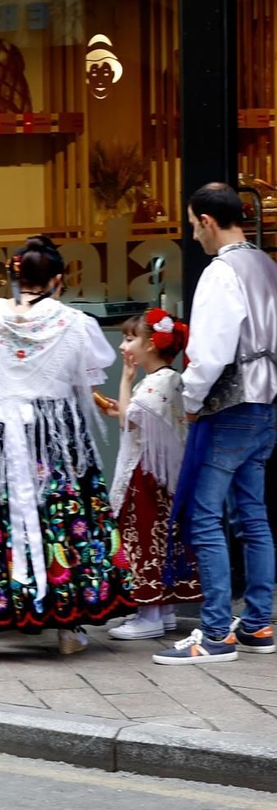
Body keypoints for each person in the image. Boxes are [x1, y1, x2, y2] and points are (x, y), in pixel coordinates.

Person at [0, 235, 132, 659]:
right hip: (56, 439)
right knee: (59, 522)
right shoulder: (76, 325)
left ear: (15, 275)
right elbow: (88, 383)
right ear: (58, 280)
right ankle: (65, 626)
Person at [154, 183, 277, 666]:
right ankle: (259, 623)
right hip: (266, 403)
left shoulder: (220, 272)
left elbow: (210, 353)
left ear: (207, 220)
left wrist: (189, 398)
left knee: (205, 517)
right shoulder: (266, 265)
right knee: (253, 515)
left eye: (192, 224)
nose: (193, 234)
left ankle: (215, 632)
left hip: (228, 406)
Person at [105, 309, 200, 641]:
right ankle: (165, 610)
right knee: (164, 541)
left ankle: (149, 613)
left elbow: (129, 420)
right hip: (164, 478)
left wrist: (125, 380)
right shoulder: (173, 380)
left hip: (144, 476)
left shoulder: (154, 384)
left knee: (142, 542)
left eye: (130, 338)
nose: (123, 346)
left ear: (152, 344)